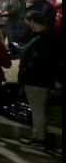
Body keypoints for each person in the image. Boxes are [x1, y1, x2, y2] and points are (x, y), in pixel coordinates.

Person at [17, 11, 57, 148]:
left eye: (27, 21)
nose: (26, 24)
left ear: (33, 22)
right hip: (44, 78)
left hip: (36, 79)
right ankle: (42, 132)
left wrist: (25, 72)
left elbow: (37, 60)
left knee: (37, 108)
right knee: (40, 107)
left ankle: (39, 136)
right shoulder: (49, 36)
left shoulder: (41, 39)